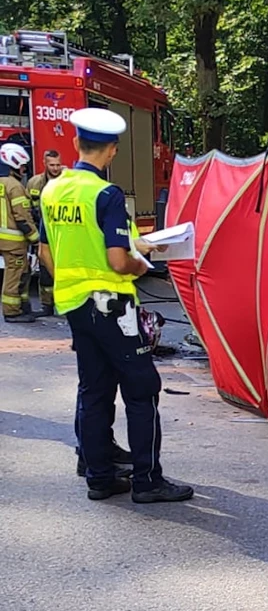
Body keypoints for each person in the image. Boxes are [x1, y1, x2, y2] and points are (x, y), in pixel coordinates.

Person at [38, 108, 194, 503]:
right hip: (112, 306)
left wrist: (74, 283)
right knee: (143, 388)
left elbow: (45, 251)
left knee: (94, 389)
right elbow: (117, 260)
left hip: (74, 304)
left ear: (75, 144)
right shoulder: (106, 195)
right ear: (112, 152)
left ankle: (100, 477)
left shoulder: (52, 190)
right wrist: (142, 261)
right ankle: (147, 481)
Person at [0, 142, 39, 323]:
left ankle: (22, 305)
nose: (24, 169)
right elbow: (22, 217)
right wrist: (36, 239)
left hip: (4, 239)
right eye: (23, 166)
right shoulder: (15, 186)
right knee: (14, 273)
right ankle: (11, 312)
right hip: (14, 242)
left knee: (23, 271)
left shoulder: (2, 183)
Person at [27, 149, 64, 316]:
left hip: (64, 232)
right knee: (45, 271)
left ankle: (65, 305)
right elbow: (27, 209)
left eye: (58, 164)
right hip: (44, 230)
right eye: (52, 165)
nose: (55, 168)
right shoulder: (35, 183)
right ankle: (47, 305)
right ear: (45, 163)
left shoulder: (67, 181)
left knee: (65, 270)